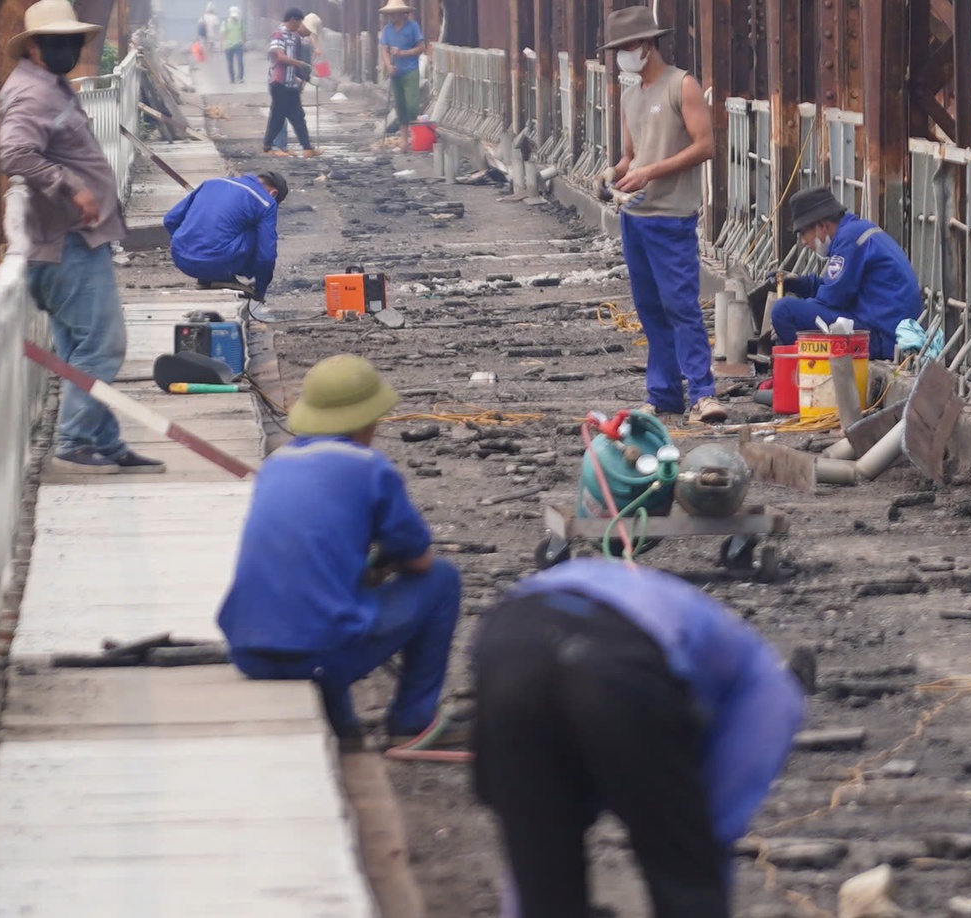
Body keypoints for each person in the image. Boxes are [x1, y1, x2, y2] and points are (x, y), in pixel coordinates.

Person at [472, 558, 805, 918]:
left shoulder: (732, 663)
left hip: (506, 640)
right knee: (684, 878)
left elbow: (533, 849)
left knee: (541, 871)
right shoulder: (765, 684)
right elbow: (708, 829)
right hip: (615, 655)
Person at [217, 355, 463, 753]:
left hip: (247, 651)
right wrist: (382, 563)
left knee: (325, 602)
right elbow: (419, 561)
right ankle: (413, 720)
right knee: (442, 581)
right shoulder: (369, 468)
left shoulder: (277, 464)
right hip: (320, 655)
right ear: (367, 420)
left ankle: (344, 724)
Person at [0, 0, 164, 475]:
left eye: (72, 40)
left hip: (71, 240)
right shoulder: (32, 94)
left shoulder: (49, 86)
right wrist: (71, 187)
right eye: (57, 42)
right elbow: (14, 152)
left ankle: (105, 442)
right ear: (33, 48)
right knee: (104, 345)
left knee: (78, 350)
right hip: (66, 242)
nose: (67, 48)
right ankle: (74, 440)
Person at [602, 7, 724, 424]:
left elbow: (705, 146)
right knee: (651, 308)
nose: (621, 56)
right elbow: (631, 155)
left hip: (671, 216)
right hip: (635, 217)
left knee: (681, 306)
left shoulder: (681, 85)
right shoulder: (631, 93)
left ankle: (703, 393)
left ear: (648, 44)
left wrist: (650, 172)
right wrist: (613, 174)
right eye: (616, 49)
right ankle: (664, 393)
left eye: (625, 47)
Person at [769, 185, 923, 362]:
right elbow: (841, 288)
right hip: (889, 331)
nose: (803, 242)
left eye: (804, 233)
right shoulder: (858, 231)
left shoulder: (849, 240)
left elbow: (832, 299)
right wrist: (802, 284)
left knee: (784, 310)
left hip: (880, 338)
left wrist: (799, 307)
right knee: (795, 308)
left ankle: (803, 372)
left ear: (822, 226)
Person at [163, 169, 288, 314]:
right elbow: (266, 255)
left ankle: (206, 278)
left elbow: (170, 219)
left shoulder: (211, 183)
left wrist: (183, 246)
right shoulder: (266, 202)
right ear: (274, 194)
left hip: (181, 259)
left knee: (220, 228)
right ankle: (221, 273)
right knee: (259, 233)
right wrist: (260, 289)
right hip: (220, 262)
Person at [263, 7, 317, 155]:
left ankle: (307, 148)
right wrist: (300, 64)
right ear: (292, 19)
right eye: (298, 21)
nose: (299, 25)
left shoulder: (294, 36)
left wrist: (303, 76)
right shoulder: (279, 35)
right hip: (279, 83)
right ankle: (268, 146)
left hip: (291, 83)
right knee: (278, 117)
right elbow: (280, 57)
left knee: (298, 116)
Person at [378, 0, 428, 135]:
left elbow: (421, 47)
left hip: (410, 70)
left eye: (394, 13)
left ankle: (414, 134)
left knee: (412, 106)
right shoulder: (387, 30)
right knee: (399, 106)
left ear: (402, 13)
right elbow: (385, 51)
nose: (392, 16)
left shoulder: (412, 27)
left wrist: (402, 53)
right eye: (390, 13)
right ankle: (404, 139)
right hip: (396, 72)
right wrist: (388, 66)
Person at [221, 4, 247, 83]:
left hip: (238, 44)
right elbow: (222, 34)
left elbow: (243, 33)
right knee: (230, 63)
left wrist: (244, 43)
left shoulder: (241, 22)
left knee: (240, 61)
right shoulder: (225, 23)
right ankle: (232, 79)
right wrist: (222, 44)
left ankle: (240, 78)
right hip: (228, 46)